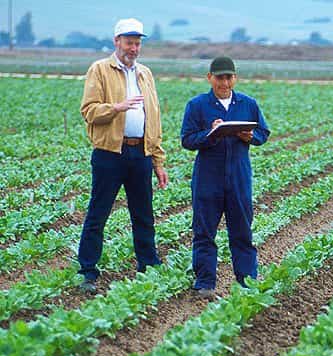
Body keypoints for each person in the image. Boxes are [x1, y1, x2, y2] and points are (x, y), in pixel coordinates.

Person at [77, 17, 168, 294]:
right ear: (117, 41)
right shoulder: (100, 70)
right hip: (109, 154)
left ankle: (148, 266)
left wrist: (157, 160)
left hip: (140, 151)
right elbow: (89, 111)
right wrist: (117, 107)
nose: (134, 48)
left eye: (137, 43)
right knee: (98, 213)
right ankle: (88, 271)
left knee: (144, 214)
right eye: (129, 42)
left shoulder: (145, 74)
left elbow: (154, 119)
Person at [181, 56, 270, 298]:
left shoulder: (247, 103)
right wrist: (211, 134)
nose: (224, 82)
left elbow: (263, 132)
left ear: (235, 78)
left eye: (229, 77)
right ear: (209, 78)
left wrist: (249, 137)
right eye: (219, 77)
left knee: (242, 231)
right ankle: (205, 282)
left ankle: (247, 283)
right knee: (204, 231)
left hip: (239, 177)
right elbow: (187, 139)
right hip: (208, 177)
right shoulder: (197, 105)